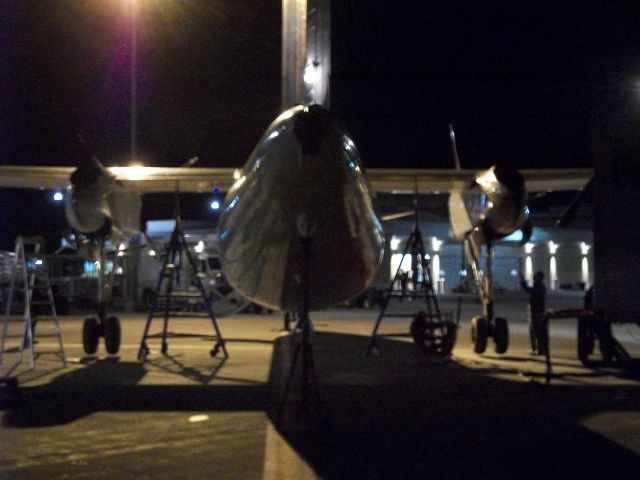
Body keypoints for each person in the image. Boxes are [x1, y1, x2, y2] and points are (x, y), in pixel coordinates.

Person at [519, 271, 548, 355]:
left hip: (537, 312)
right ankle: (537, 348)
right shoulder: (539, 286)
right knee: (534, 331)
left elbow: (529, 290)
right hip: (535, 311)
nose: (534, 277)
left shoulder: (539, 286)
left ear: (539, 277)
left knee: (537, 331)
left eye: (535, 276)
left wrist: (523, 281)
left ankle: (540, 349)